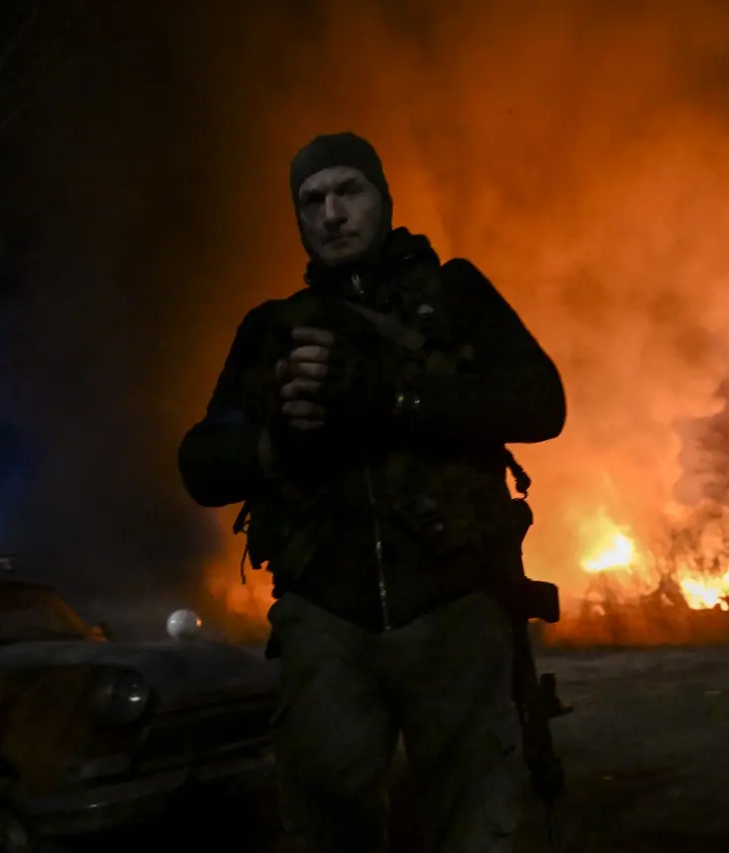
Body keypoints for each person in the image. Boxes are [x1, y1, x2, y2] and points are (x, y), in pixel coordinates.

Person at [178, 132, 567, 852]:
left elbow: (541, 403)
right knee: (327, 827)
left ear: (384, 199)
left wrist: (391, 398)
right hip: (328, 622)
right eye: (311, 200)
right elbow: (201, 464)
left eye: (348, 191)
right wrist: (276, 442)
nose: (331, 213)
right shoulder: (272, 330)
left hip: (453, 605)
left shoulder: (454, 296)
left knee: (474, 830)